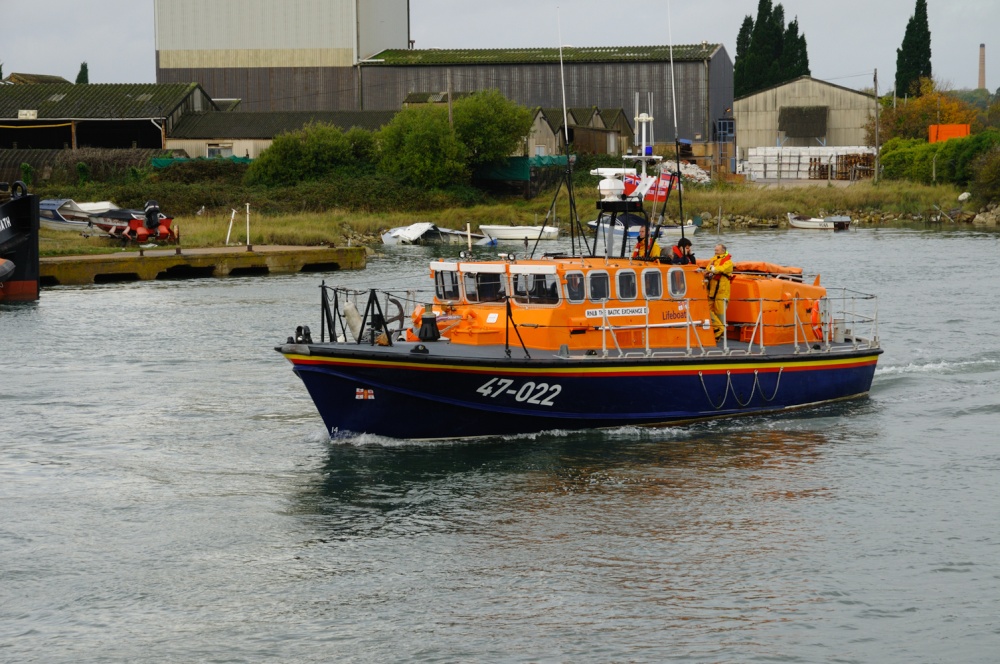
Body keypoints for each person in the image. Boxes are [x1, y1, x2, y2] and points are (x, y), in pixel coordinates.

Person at [705, 243, 734, 340]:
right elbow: (708, 268)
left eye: (717, 250)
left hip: (722, 291)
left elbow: (720, 269)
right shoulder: (713, 259)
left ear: (722, 251)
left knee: (720, 313)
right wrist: (712, 270)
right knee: (707, 309)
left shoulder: (728, 262)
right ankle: (718, 329)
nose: (715, 252)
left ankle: (720, 332)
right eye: (715, 250)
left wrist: (713, 269)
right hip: (712, 290)